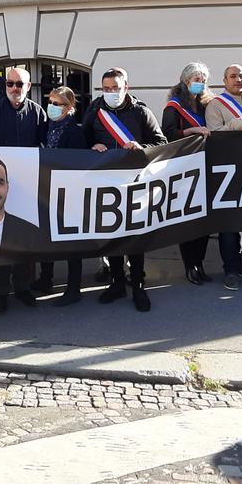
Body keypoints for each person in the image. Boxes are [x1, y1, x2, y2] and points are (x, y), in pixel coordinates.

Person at [81, 67, 167, 311]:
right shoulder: (95, 111)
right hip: (106, 183)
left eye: (115, 88)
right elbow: (81, 140)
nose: (111, 93)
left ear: (126, 87)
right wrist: (93, 146)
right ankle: (117, 282)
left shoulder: (141, 112)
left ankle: (138, 284)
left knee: (134, 237)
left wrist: (141, 147)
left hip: (135, 183)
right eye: (106, 89)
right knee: (113, 235)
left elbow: (161, 143)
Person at [0, 66, 46, 312]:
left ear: (28, 87)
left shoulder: (38, 113)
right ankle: (1, 292)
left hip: (27, 188)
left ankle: (23, 288)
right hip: (0, 189)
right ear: (5, 85)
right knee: (0, 241)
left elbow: (44, 147)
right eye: (10, 84)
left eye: (20, 84)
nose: (15, 89)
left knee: (24, 240)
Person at [206, 63, 242, 290]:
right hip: (225, 170)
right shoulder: (215, 105)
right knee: (228, 223)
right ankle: (229, 269)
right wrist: (237, 124)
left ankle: (239, 263)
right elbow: (215, 136)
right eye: (233, 76)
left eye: (241, 75)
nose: (238, 79)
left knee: (240, 221)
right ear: (224, 80)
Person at [160, 62, 213, 285]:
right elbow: (167, 135)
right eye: (195, 79)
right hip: (184, 168)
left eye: (202, 79)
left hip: (206, 165)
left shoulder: (208, 104)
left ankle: (199, 263)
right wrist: (191, 130)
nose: (199, 83)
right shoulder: (173, 106)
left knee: (205, 221)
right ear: (185, 81)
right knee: (188, 219)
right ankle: (189, 265)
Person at [36, 86, 88, 302]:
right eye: (51, 102)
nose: (52, 107)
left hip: (69, 192)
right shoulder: (46, 126)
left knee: (70, 241)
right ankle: (45, 278)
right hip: (47, 188)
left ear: (69, 107)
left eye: (58, 104)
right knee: (47, 237)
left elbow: (78, 161)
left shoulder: (74, 131)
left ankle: (73, 288)